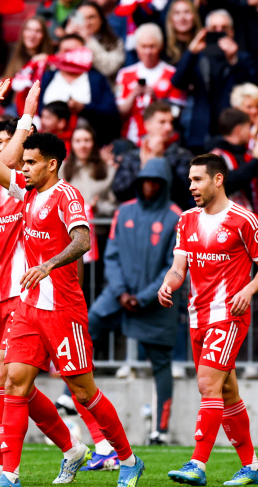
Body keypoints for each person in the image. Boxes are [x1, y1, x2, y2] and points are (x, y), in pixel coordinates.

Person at [0, 79, 145, 487]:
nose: (22, 168)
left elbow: (83, 240)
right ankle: (8, 475)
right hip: (29, 308)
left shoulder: (67, 195)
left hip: (64, 309)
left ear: (50, 164)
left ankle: (128, 460)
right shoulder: (24, 194)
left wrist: (47, 264)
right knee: (14, 381)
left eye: (29, 162)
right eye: (22, 163)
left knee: (83, 391)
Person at [0, 110, 94, 487]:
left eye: (6, 142)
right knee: (15, 382)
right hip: (4, 293)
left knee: (15, 377)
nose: (0, 147)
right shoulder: (2, 191)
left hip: (33, 294)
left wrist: (60, 277)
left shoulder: (34, 188)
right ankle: (66, 447)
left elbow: (77, 241)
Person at [158, 153, 258, 487]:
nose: (191, 186)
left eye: (198, 179)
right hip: (198, 315)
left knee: (208, 385)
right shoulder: (187, 220)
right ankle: (251, 466)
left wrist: (248, 290)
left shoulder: (244, 220)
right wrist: (168, 283)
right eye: (190, 180)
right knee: (226, 391)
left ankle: (198, 462)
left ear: (218, 179)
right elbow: (179, 268)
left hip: (230, 315)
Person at [91, 156, 180, 445]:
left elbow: (174, 266)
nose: (150, 187)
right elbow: (112, 255)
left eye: (156, 182)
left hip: (155, 304)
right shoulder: (124, 211)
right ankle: (71, 396)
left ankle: (161, 430)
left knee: (161, 363)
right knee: (89, 323)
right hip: (119, 296)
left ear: (164, 185)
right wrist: (121, 293)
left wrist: (142, 298)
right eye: (146, 182)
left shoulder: (175, 217)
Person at [170, 9, 257, 152]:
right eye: (214, 29)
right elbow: (178, 82)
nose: (219, 32)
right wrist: (192, 51)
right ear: (206, 31)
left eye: (224, 28)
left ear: (232, 32)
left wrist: (234, 61)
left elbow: (249, 88)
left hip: (232, 134)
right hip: (200, 134)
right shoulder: (197, 57)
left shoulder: (242, 59)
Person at [112, 101, 195, 209]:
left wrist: (160, 162)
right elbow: (120, 193)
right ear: (147, 125)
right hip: (136, 219)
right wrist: (144, 166)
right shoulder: (131, 157)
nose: (168, 127)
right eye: (162, 122)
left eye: (171, 122)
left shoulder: (183, 156)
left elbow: (184, 192)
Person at [115, 23, 185, 147]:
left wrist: (156, 99)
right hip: (131, 140)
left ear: (160, 47)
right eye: (143, 46)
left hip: (165, 143)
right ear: (137, 48)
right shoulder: (125, 74)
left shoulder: (173, 74)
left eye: (152, 46)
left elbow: (177, 113)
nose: (148, 51)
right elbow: (118, 113)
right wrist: (132, 96)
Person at [40, 34, 120, 143]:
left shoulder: (96, 79)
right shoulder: (48, 77)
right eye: (66, 51)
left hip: (89, 144)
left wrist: (84, 108)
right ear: (58, 53)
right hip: (48, 144)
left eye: (76, 51)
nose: (71, 55)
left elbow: (112, 113)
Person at [62, 123, 117, 219]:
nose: (83, 145)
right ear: (72, 144)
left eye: (87, 140)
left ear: (94, 143)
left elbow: (115, 205)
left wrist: (98, 208)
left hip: (98, 228)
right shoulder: (61, 169)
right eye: (78, 141)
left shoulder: (109, 170)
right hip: (67, 229)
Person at [64, 1, 124, 79]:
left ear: (101, 20)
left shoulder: (115, 42)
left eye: (91, 17)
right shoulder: (70, 39)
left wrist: (88, 39)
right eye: (81, 18)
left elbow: (109, 68)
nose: (86, 22)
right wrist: (67, 38)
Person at [3, 16, 54, 81]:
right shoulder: (10, 52)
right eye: (28, 29)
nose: (32, 35)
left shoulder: (49, 60)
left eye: (38, 31)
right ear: (23, 32)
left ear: (43, 35)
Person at [163, 0, 202, 65]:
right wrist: (190, 52)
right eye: (177, 13)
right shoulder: (164, 49)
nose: (182, 18)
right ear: (171, 18)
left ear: (194, 16)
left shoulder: (203, 46)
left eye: (187, 12)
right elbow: (176, 75)